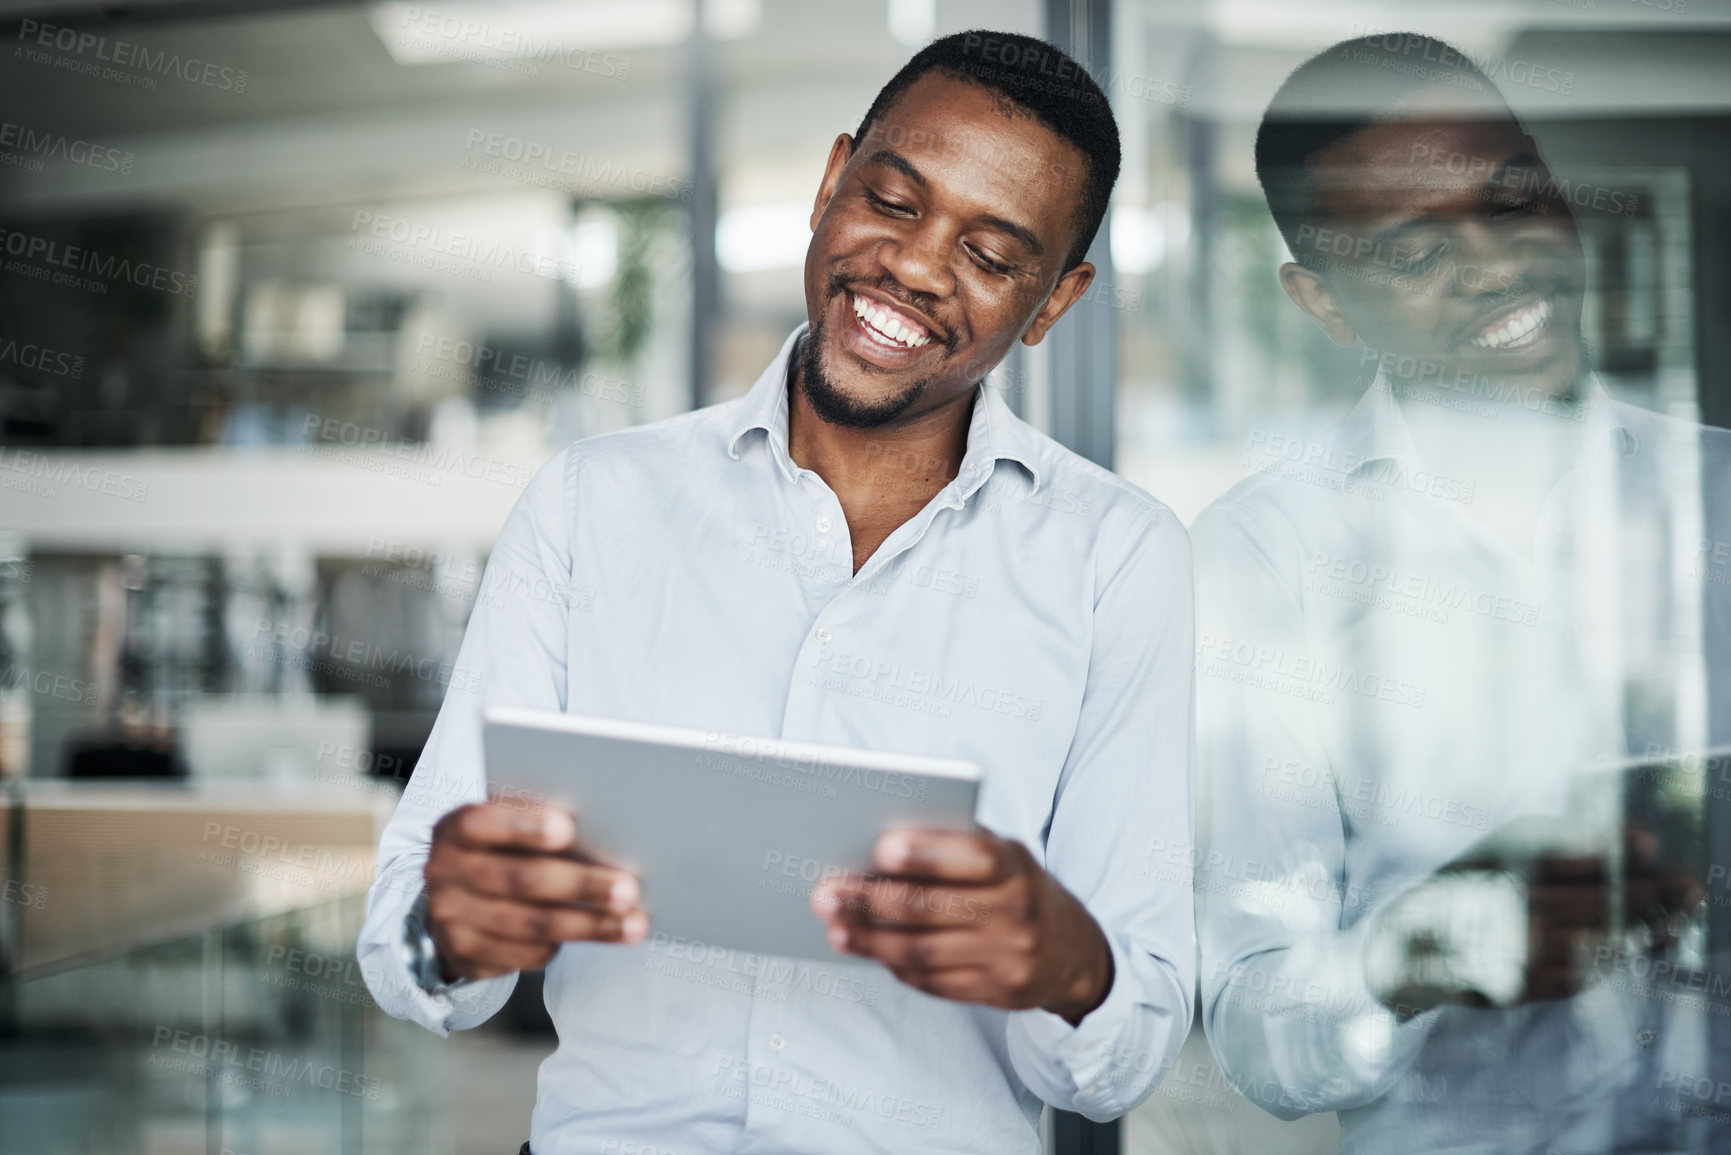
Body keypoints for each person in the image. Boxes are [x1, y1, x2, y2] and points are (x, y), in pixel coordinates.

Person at [357, 30, 1196, 1155]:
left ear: (1055, 302)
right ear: (831, 179)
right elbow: (410, 941)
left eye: (993, 257)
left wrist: (1069, 966)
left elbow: (1125, 1047)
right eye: (893, 201)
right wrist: (450, 930)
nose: (913, 266)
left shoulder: (1118, 559)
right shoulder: (593, 504)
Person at [1193, 31, 1727, 1153]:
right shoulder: (1264, 558)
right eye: (1413, 253)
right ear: (1323, 301)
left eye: (1514, 198)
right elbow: (1250, 1026)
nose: (1498, 265)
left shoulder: (1715, 490)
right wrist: (1402, 960)